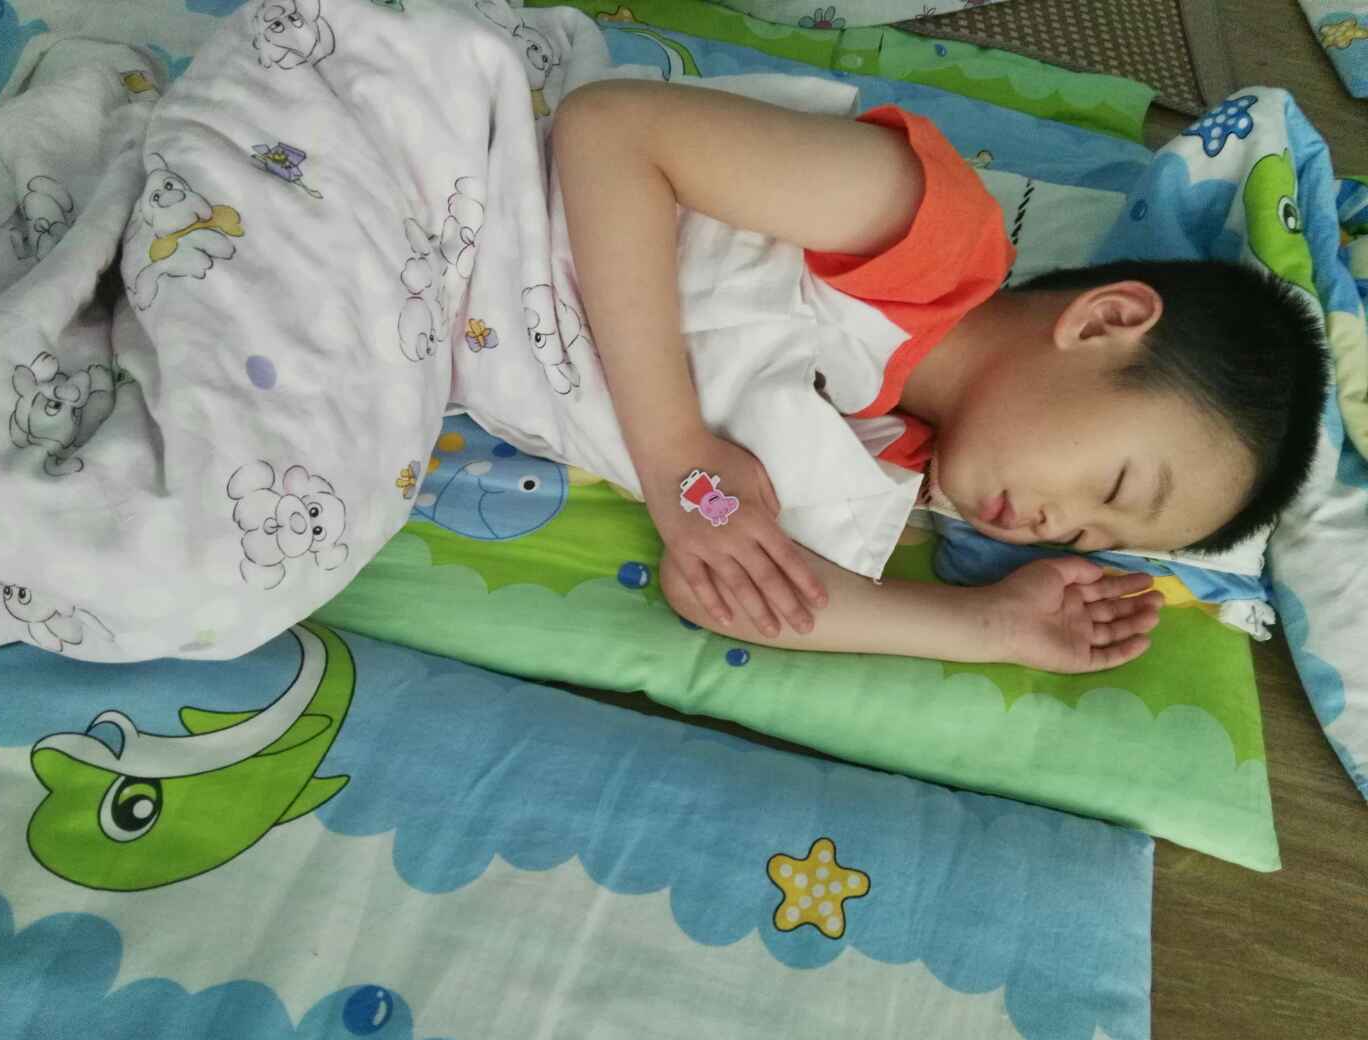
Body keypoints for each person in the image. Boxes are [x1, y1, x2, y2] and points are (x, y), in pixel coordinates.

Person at [550, 79, 1330, 674]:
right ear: (1103, 323)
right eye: (1114, 486)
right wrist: (677, 457)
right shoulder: (921, 236)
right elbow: (612, 129)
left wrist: (991, 627)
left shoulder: (881, 464)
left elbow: (719, 591)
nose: (1052, 526)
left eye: (1086, 538)